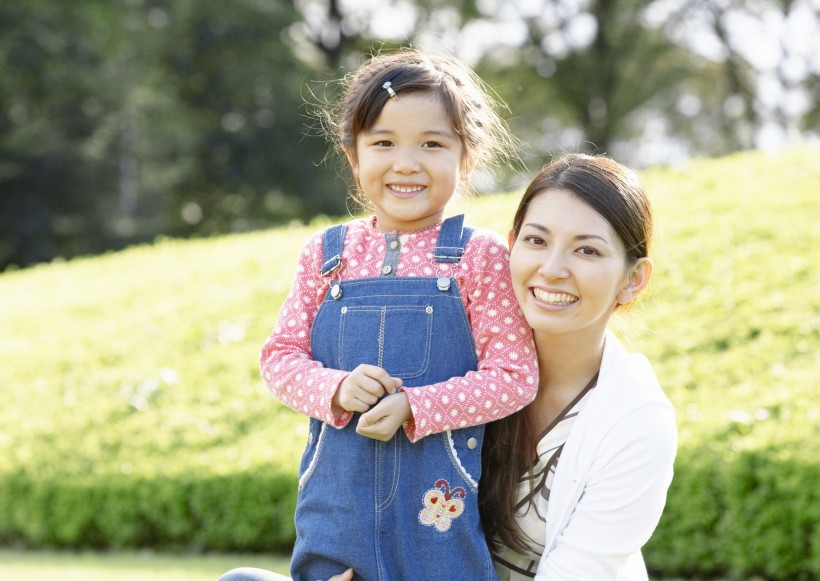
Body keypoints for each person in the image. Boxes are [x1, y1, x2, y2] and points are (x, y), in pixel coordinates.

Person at [221, 49, 539, 581]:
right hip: (336, 512)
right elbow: (279, 358)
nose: (406, 163)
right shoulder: (327, 256)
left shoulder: (479, 258)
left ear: (467, 158)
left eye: (432, 144)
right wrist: (337, 390)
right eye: (384, 143)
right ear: (354, 156)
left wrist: (416, 406)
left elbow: (514, 377)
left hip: (435, 517)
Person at [479, 153, 678, 580]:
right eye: (536, 241)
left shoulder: (638, 423)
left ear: (634, 279)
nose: (551, 270)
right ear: (510, 246)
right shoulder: (458, 362)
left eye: (586, 250)